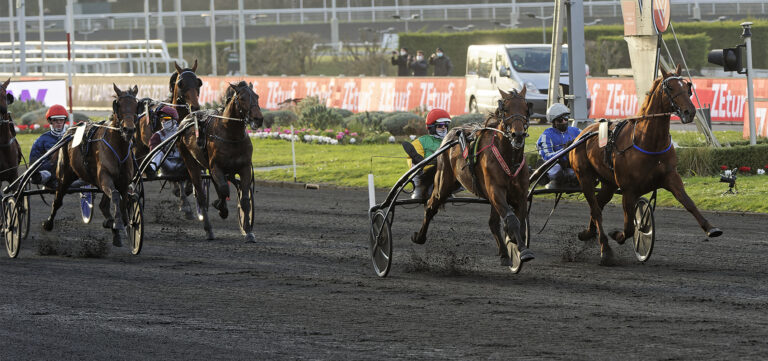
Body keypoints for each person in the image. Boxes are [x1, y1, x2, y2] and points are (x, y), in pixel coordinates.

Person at [402, 108, 452, 200]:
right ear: (432, 127)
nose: (444, 127)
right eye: (440, 125)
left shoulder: (451, 141)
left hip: (446, 174)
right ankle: (419, 189)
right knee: (415, 161)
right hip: (425, 175)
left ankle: (447, 188)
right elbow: (414, 162)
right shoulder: (421, 142)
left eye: (446, 124)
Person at [536, 103, 582, 189]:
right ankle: (551, 180)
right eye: (561, 120)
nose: (564, 121)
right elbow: (546, 156)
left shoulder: (576, 131)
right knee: (557, 169)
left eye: (566, 118)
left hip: (573, 165)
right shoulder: (546, 135)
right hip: (556, 166)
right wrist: (565, 150)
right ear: (554, 122)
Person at [29, 104, 69, 187]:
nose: (59, 123)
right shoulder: (42, 140)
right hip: (49, 172)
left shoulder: (71, 137)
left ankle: (86, 199)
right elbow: (33, 162)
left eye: (61, 120)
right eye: (55, 120)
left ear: (64, 121)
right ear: (50, 121)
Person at [148, 106, 185, 179]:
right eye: (161, 119)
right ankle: (152, 169)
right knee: (158, 152)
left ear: (174, 120)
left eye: (166, 119)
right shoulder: (157, 136)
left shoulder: (183, 132)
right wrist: (165, 148)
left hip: (183, 165)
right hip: (167, 166)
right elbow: (153, 151)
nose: (163, 121)